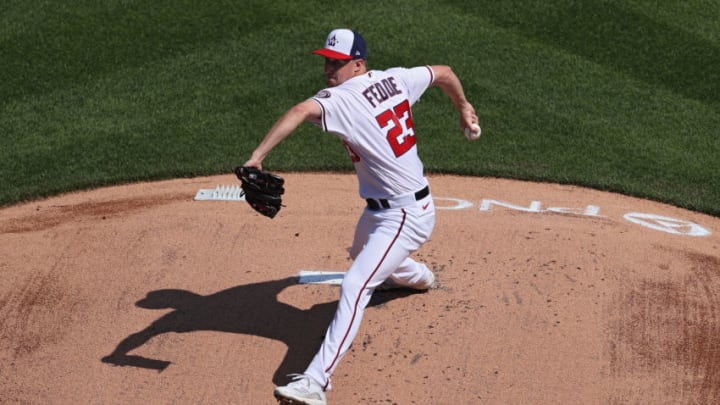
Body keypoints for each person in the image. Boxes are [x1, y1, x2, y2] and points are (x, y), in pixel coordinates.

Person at [243, 28, 480, 405]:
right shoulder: (395, 78)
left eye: (335, 63)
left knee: (355, 285)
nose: (327, 70)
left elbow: (300, 110)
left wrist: (257, 156)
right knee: (360, 253)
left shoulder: (343, 98)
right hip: (383, 212)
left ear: (357, 64)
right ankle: (417, 277)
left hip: (405, 215)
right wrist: (463, 106)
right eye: (325, 61)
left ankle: (316, 383)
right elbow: (446, 72)